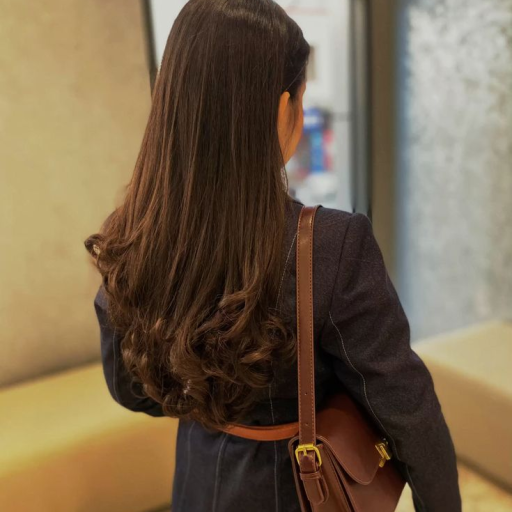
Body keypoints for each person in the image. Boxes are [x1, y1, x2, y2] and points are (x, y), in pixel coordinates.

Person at [84, 1, 461, 510]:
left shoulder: (132, 236)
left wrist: (212, 396)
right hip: (300, 492)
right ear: (284, 107)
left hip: (197, 481)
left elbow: (131, 390)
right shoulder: (330, 244)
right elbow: (407, 409)